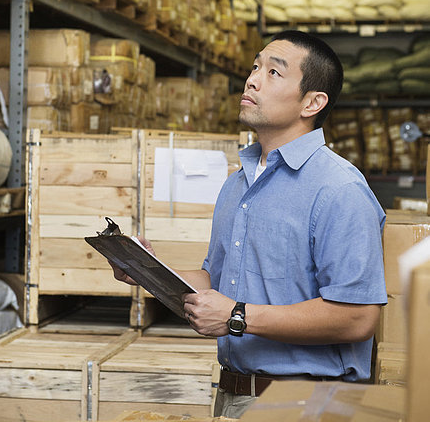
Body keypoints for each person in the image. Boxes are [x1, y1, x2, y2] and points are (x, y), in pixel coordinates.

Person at [109, 30, 387, 419]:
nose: (252, 79)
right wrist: (149, 271)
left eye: (274, 72)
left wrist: (237, 316)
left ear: (312, 102)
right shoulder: (237, 184)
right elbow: (218, 282)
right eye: (255, 67)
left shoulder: (338, 188)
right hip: (235, 393)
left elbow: (358, 316)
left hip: (307, 404)